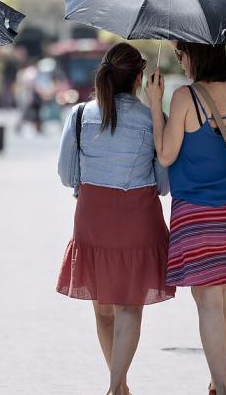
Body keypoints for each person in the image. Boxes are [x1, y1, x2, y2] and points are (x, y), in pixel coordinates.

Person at [57, 43, 174, 395]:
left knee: (103, 309)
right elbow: (164, 184)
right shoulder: (151, 119)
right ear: (140, 78)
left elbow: (66, 174)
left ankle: (118, 386)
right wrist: (157, 108)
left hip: (93, 216)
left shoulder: (79, 115)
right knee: (129, 307)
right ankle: (116, 386)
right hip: (138, 216)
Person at [146, 41, 226, 395]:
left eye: (181, 55)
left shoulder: (183, 98)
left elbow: (165, 155)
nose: (180, 61)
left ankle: (222, 387)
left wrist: (153, 104)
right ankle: (217, 381)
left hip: (196, 214)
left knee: (207, 303)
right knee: (224, 301)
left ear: (195, 55)